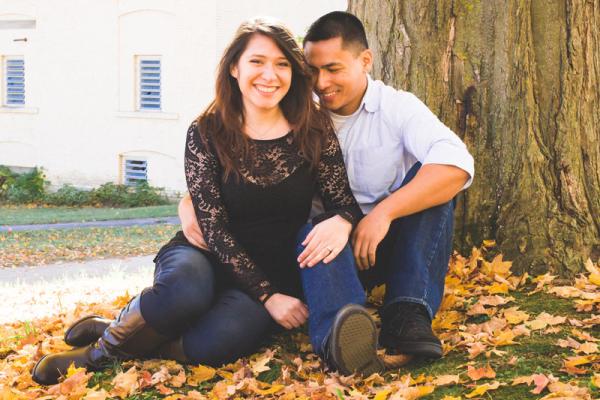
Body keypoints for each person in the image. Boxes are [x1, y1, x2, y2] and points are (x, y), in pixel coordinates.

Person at [31, 17, 385, 386]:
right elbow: (212, 228)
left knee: (224, 339)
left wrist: (342, 221)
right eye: (257, 62)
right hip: (204, 253)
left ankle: (139, 330)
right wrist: (268, 298)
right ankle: (100, 351)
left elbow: (343, 201)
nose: (270, 75)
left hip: (270, 267)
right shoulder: (207, 131)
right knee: (186, 291)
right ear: (234, 67)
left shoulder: (313, 128)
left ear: (295, 73)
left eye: (282, 64)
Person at [178, 11, 475, 361]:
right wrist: (188, 202)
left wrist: (382, 214)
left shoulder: (397, 108)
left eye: (333, 69)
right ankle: (340, 339)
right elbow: (236, 172)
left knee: (434, 184)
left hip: (383, 241)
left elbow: (457, 165)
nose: (321, 83)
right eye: (312, 70)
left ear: (365, 61)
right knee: (316, 234)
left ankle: (407, 314)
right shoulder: (294, 111)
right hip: (317, 250)